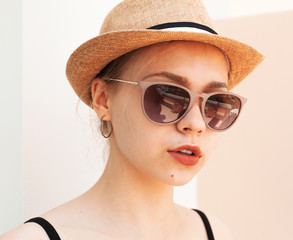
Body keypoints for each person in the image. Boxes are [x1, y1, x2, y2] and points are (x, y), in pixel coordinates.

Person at [0, 0, 263, 239]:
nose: (195, 124)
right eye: (167, 96)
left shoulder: (216, 233)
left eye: (216, 102)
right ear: (103, 99)